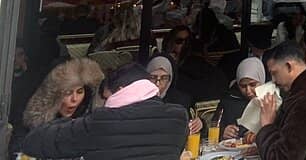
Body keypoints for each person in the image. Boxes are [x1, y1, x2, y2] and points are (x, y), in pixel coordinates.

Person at [19, 62, 188, 160]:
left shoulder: (102, 122)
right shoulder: (178, 119)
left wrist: (70, 122)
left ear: (121, 90)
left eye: (107, 98)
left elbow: (33, 142)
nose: (104, 103)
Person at [147, 55, 202, 135]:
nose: (158, 83)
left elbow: (190, 127)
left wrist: (199, 124)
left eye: (164, 78)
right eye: (153, 77)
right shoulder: (137, 100)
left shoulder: (182, 100)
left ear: (170, 79)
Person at [216, 57, 266, 140]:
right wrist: (223, 132)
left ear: (261, 81)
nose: (248, 91)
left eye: (252, 85)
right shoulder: (228, 101)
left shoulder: (271, 100)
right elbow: (215, 126)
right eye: (243, 86)